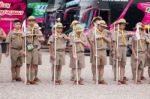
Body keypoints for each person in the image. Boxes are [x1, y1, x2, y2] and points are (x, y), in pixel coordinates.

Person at [89, 20, 110, 84]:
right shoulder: (94, 32)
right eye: (101, 26)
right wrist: (94, 52)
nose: (103, 28)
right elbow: (92, 43)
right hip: (97, 50)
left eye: (104, 26)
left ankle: (101, 79)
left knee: (102, 65)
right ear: (98, 26)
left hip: (103, 50)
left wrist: (103, 37)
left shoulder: (105, 32)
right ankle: (95, 79)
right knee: (96, 65)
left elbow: (109, 41)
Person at [26, 16, 43, 85]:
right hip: (29, 46)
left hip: (35, 47)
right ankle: (27, 79)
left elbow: (41, 35)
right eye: (30, 21)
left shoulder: (36, 28)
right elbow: (23, 38)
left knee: (34, 64)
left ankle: (32, 79)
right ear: (28, 21)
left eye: (33, 20)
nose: (31, 22)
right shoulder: (26, 28)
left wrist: (35, 33)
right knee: (28, 64)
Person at [112, 18, 130, 85]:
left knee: (123, 64)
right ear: (119, 25)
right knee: (117, 64)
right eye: (122, 25)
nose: (124, 26)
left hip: (124, 48)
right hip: (118, 48)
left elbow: (130, 35)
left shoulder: (125, 32)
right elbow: (114, 43)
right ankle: (117, 79)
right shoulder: (115, 32)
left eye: (124, 25)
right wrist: (116, 52)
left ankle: (122, 78)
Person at [87, 16, 102, 82]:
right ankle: (94, 76)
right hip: (94, 48)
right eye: (96, 21)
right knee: (94, 63)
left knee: (100, 63)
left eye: (99, 21)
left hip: (101, 48)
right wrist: (93, 49)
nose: (97, 22)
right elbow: (89, 39)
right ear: (94, 23)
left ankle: (100, 76)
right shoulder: (92, 31)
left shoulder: (102, 30)